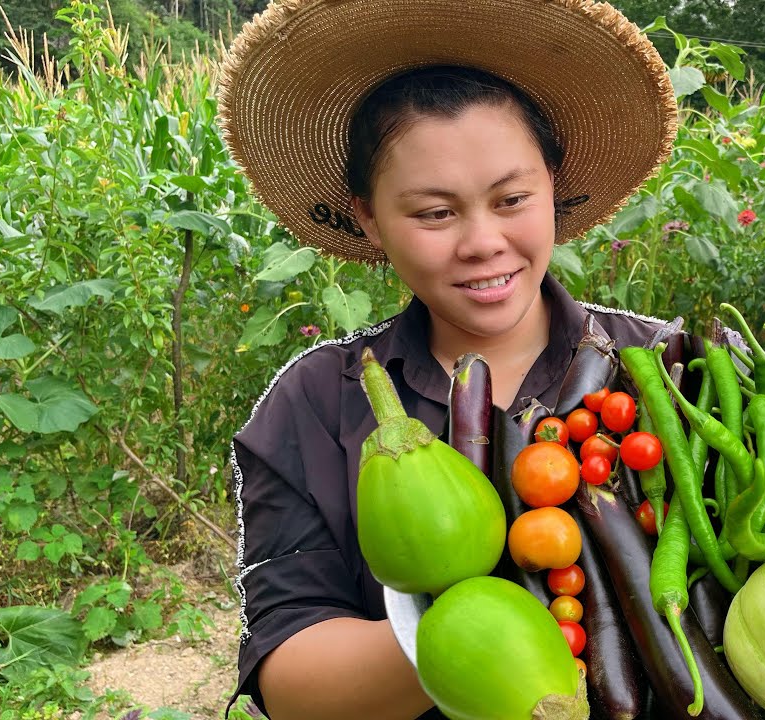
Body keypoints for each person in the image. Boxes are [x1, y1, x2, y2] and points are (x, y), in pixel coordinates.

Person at [215, 0, 679, 717]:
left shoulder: (669, 366)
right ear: (366, 215)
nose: (482, 241)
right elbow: (290, 675)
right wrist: (470, 618)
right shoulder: (313, 403)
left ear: (554, 184)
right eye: (435, 213)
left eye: (513, 198)